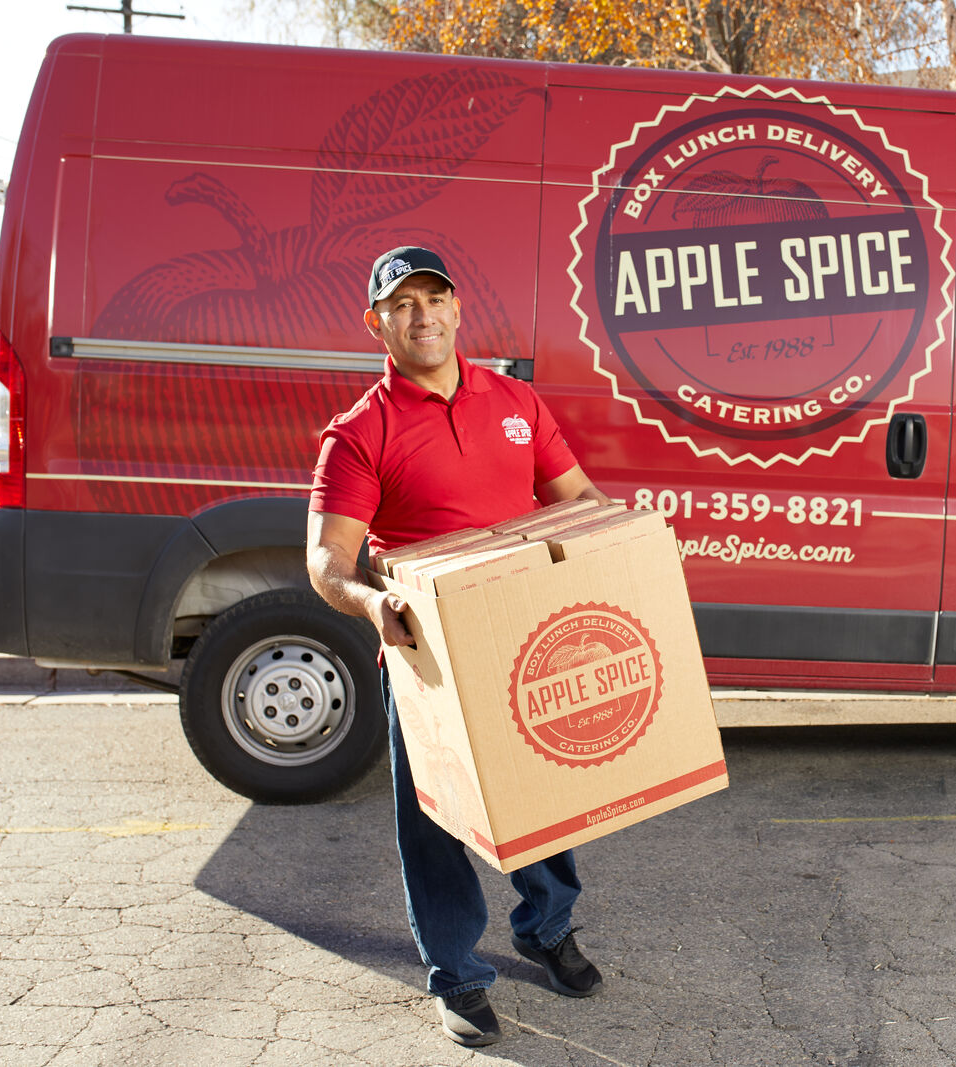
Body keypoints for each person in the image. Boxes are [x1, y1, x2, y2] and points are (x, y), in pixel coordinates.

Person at [306, 246, 611, 1047]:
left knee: (542, 799)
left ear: (457, 308)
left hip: (523, 636)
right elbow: (328, 560)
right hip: (426, 655)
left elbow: (577, 500)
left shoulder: (515, 401)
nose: (423, 315)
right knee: (435, 821)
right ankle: (458, 973)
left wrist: (620, 547)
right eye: (402, 304)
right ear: (376, 322)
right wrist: (376, 604)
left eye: (434, 297)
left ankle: (547, 927)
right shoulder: (359, 432)